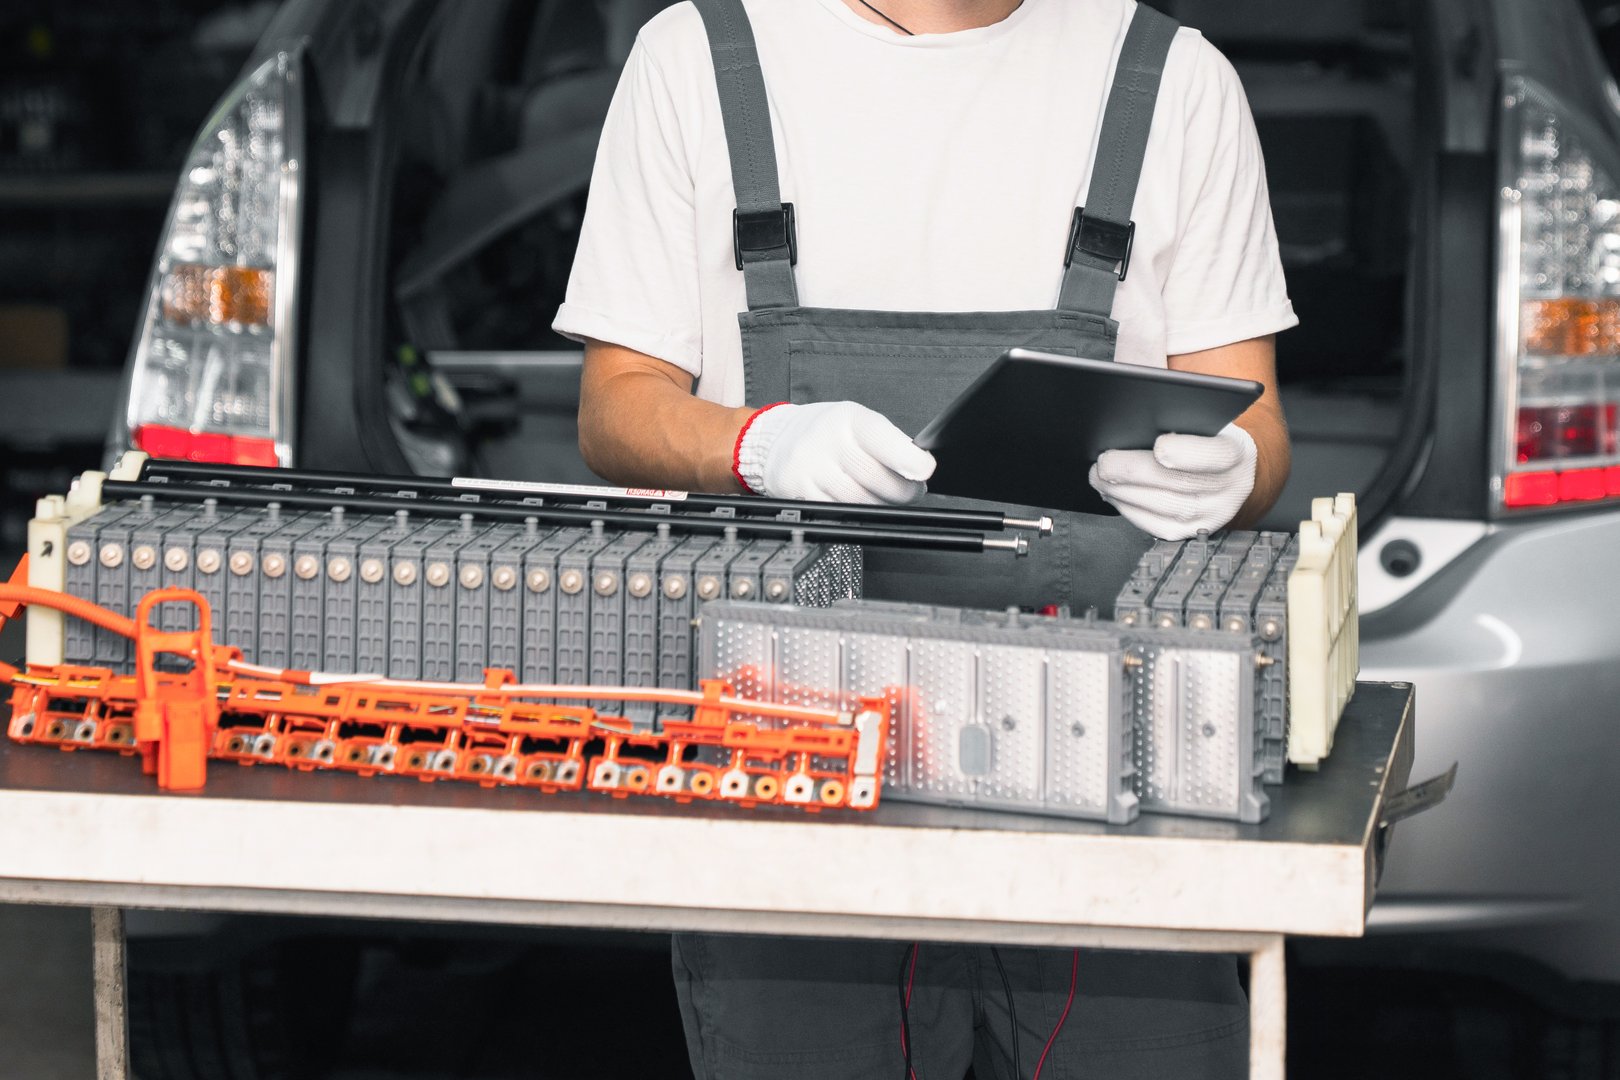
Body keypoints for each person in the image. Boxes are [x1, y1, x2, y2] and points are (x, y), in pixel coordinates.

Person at [555, 0, 1297, 1075]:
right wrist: (755, 443)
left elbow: (1257, 418)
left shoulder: (1172, 79)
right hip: (790, 767)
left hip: (1107, 777)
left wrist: (1236, 471)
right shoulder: (703, 59)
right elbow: (614, 405)